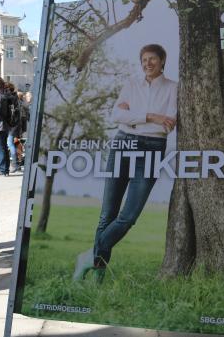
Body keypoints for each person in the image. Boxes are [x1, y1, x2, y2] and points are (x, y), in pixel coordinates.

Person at [73, 44, 177, 282]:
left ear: (162, 61)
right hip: (122, 144)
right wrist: (150, 116)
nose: (147, 63)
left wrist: (134, 116)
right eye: (143, 59)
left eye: (152, 59)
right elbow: (116, 116)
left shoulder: (173, 88)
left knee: (128, 217)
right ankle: (98, 274)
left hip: (152, 148)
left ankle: (89, 256)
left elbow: (168, 123)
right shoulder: (131, 84)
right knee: (107, 214)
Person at [4, 82, 21, 173]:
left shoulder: (10, 97)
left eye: (4, 89)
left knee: (10, 143)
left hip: (12, 125)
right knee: (13, 144)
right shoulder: (15, 97)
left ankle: (14, 164)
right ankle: (16, 164)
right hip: (14, 124)